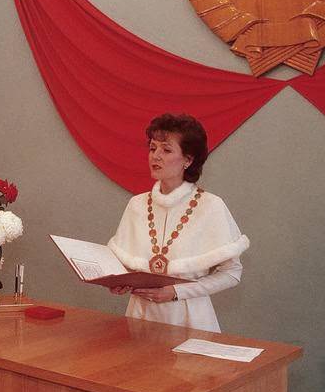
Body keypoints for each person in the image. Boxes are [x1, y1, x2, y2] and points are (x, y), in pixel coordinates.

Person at [107, 113, 249, 332]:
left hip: (190, 317)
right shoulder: (136, 204)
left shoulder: (211, 206)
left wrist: (177, 292)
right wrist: (119, 281)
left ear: (188, 160)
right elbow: (124, 266)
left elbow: (231, 273)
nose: (156, 156)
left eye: (166, 149)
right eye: (153, 148)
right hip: (140, 316)